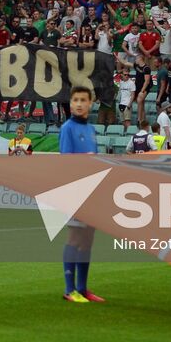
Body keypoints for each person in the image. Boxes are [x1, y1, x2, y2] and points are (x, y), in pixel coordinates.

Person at [59, 85, 103, 303]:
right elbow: (65, 162)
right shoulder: (67, 128)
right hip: (75, 192)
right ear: (70, 103)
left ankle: (83, 289)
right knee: (75, 237)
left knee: (88, 240)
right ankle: (69, 289)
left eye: (82, 100)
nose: (78, 103)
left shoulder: (91, 129)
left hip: (91, 193)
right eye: (75, 99)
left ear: (90, 103)